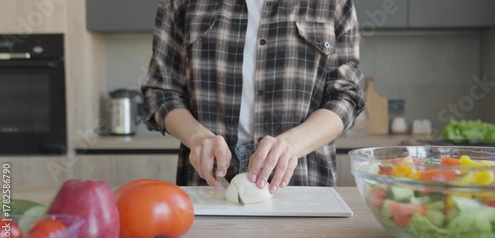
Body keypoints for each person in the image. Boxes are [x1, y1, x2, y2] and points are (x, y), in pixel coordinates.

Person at [141, 0, 365, 194]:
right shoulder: (181, 3)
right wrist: (197, 137)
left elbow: (345, 97)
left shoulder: (334, 3)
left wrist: (292, 145)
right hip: (208, 185)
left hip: (303, 185)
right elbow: (161, 92)